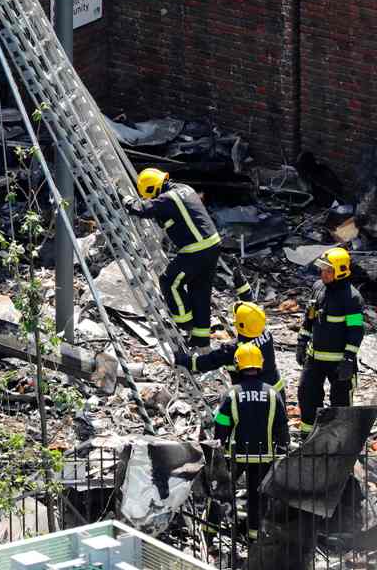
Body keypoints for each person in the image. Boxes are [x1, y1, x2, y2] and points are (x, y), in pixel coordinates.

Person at [123, 168, 222, 350]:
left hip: (196, 249)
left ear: (152, 189)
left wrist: (128, 201)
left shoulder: (168, 198)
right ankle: (200, 340)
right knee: (199, 291)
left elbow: (143, 209)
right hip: (211, 245)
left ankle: (185, 322)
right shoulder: (183, 188)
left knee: (169, 281)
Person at [214, 343, 291, 540]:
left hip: (236, 453)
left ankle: (209, 532)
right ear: (260, 364)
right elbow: (281, 425)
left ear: (238, 364)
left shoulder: (232, 393)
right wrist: (283, 446)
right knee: (257, 498)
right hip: (264, 454)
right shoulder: (273, 393)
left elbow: (222, 424)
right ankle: (254, 538)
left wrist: (218, 445)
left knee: (222, 491)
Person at [296, 247, 366, 437]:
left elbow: (356, 331)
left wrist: (349, 359)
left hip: (339, 363)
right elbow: (309, 318)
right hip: (314, 359)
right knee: (306, 395)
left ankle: (339, 443)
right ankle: (308, 439)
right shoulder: (318, 287)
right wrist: (302, 342)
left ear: (341, 271)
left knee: (341, 404)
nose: (323, 274)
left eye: (328, 270)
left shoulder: (352, 298)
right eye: (323, 269)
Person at [175, 301, 284, 392]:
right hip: (276, 389)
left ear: (241, 325)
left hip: (250, 397)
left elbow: (209, 361)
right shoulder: (267, 334)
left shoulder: (233, 349)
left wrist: (185, 361)